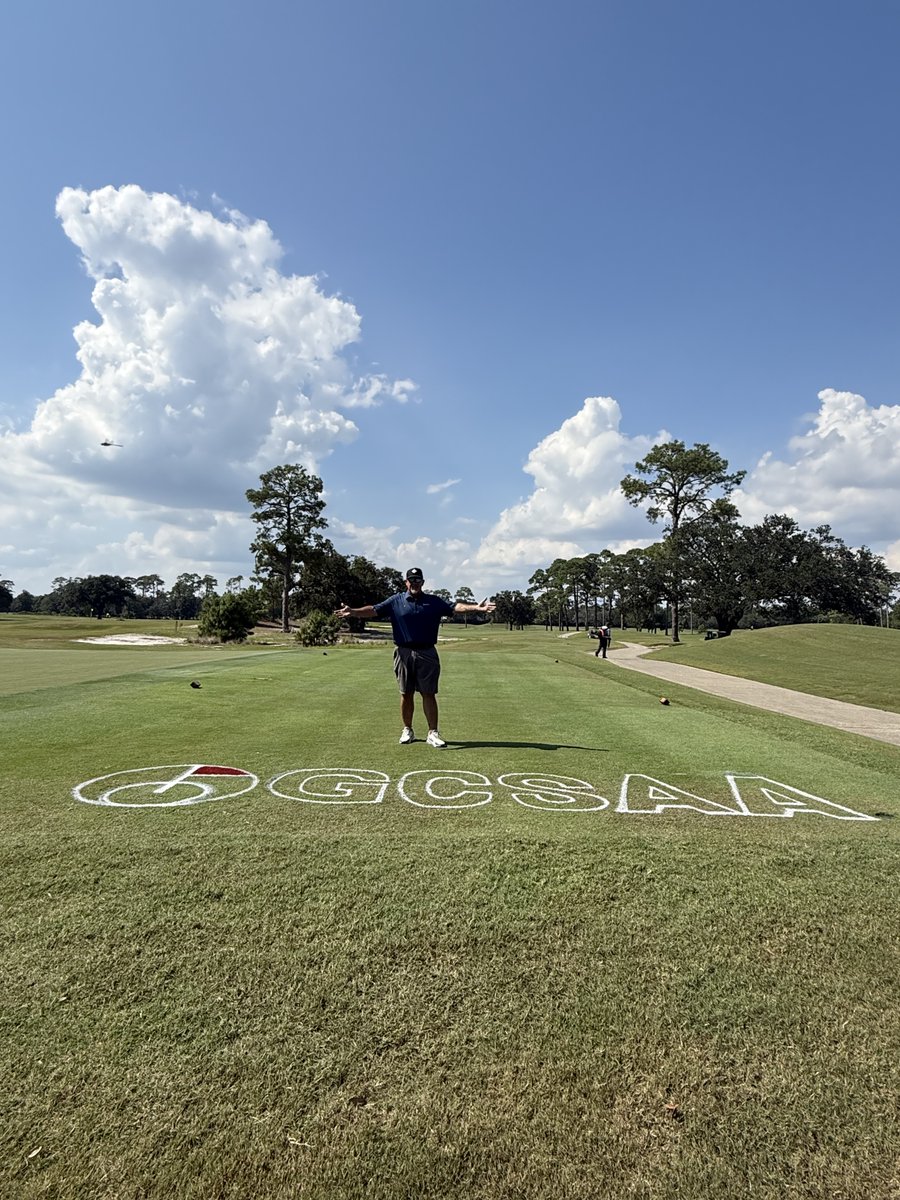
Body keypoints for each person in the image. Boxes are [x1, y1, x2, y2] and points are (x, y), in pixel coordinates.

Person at [335, 568, 495, 747]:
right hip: (403, 652)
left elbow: (455, 607)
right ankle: (407, 730)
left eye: (418, 580)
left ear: (423, 582)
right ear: (406, 582)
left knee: (429, 693)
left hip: (427, 652)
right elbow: (373, 610)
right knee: (406, 692)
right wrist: (354, 611)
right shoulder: (396, 601)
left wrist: (476, 607)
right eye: (411, 580)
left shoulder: (433, 601)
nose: (414, 583)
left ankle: (433, 733)